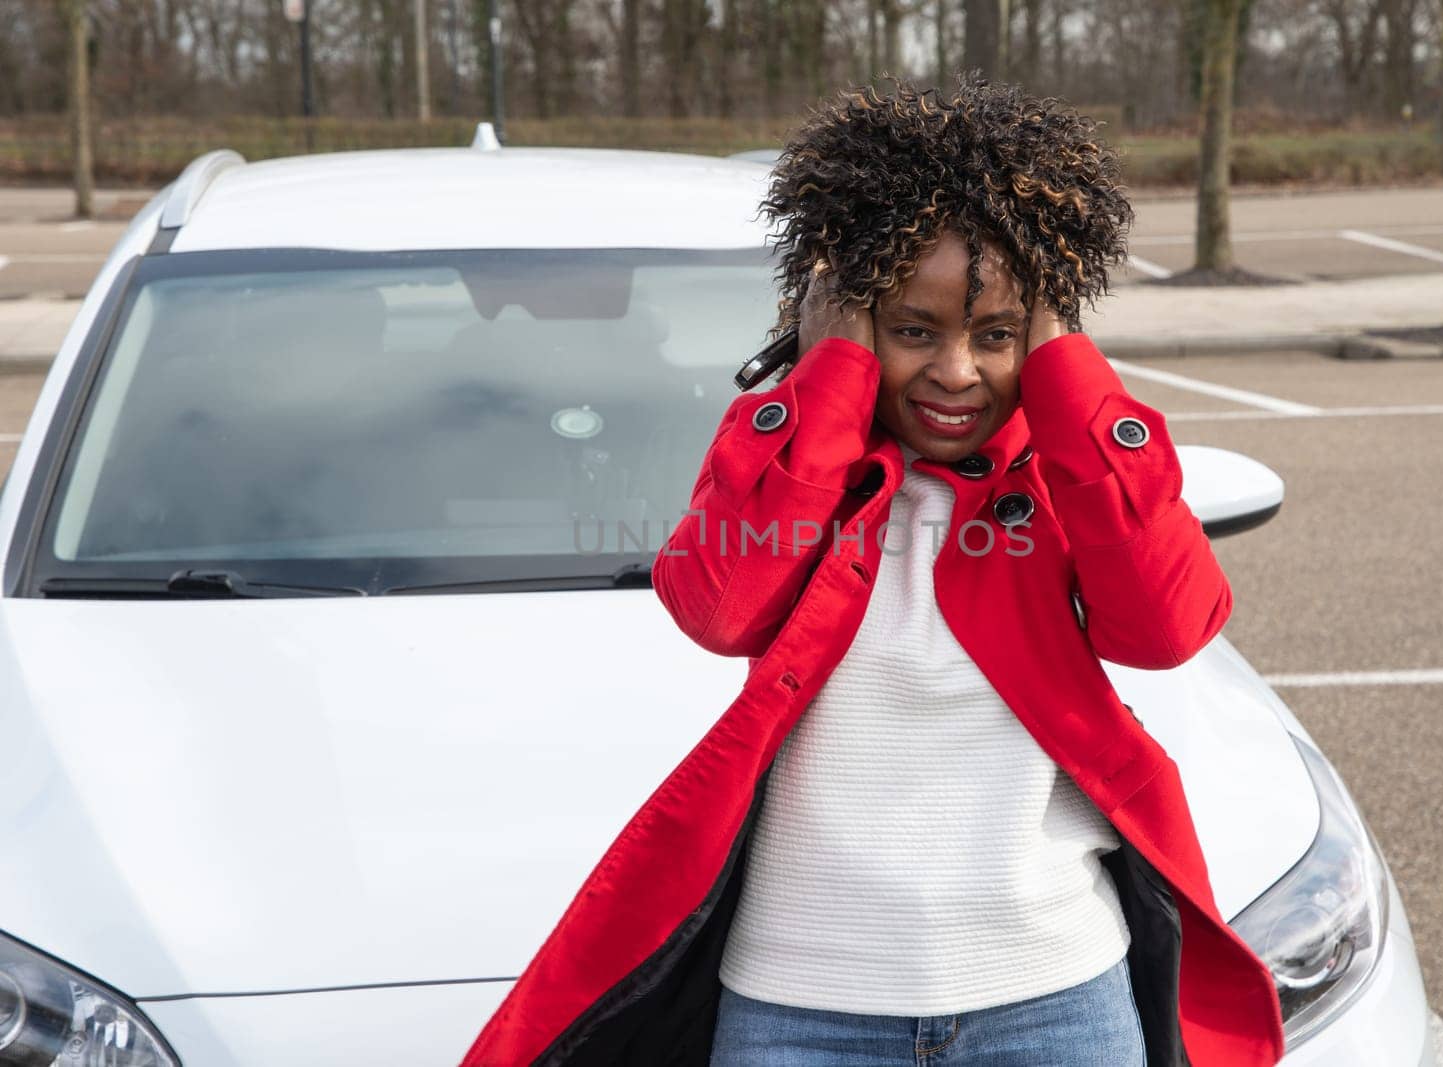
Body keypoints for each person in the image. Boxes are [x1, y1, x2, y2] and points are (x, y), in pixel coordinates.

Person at [460, 73, 1284, 1067]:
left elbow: (1164, 626)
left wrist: (1065, 370)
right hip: (800, 1002)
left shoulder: (1064, 474)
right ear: (851, 319)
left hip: (1053, 994)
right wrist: (830, 379)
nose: (955, 370)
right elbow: (721, 608)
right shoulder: (796, 467)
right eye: (911, 329)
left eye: (996, 334)